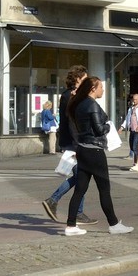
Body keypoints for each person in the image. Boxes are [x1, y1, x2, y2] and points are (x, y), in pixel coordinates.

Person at [64, 75, 132, 237]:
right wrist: (109, 126)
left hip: (82, 149)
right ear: (92, 89)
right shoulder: (92, 105)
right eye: (100, 87)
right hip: (94, 151)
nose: (103, 89)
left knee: (80, 189)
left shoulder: (78, 104)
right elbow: (99, 129)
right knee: (104, 189)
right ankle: (114, 224)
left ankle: (71, 225)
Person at [40, 65, 97, 225]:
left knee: (81, 177)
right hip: (73, 143)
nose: (86, 81)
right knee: (81, 177)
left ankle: (73, 210)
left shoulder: (73, 95)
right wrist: (78, 145)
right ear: (77, 79)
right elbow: (71, 121)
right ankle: (55, 200)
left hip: (74, 142)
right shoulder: (68, 96)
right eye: (84, 78)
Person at [121, 92, 138, 167]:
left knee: (135, 147)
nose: (134, 101)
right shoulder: (131, 109)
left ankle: (136, 163)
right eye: (133, 99)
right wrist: (122, 127)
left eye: (135, 99)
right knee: (132, 147)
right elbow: (127, 118)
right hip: (131, 129)